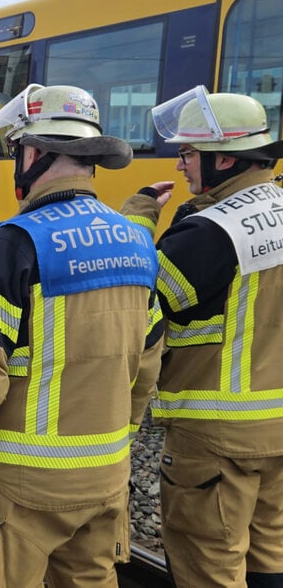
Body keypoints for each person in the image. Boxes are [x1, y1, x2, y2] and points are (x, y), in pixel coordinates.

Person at [0, 84, 164, 587]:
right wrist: (118, 443)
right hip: (107, 478)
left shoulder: (13, 243)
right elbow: (147, 364)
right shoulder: (136, 241)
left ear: (32, 153)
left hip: (22, 490)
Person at [121, 86, 283, 587]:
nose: (179, 166)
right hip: (278, 428)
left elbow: (133, 307)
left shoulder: (209, 232)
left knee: (209, 565)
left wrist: (137, 219)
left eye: (188, 153)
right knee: (270, 556)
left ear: (226, 157)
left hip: (216, 433)